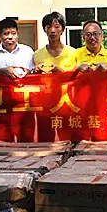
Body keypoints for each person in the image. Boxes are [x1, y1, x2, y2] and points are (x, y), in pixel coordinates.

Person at [0, 18, 36, 142]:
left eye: (13, 33)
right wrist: (2, 71)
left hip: (25, 103)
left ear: (18, 33)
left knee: (26, 140)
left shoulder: (28, 51)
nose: (10, 37)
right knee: (3, 141)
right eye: (6, 34)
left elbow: (34, 74)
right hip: (2, 102)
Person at [33, 12, 76, 141]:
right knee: (45, 138)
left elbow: (76, 77)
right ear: (44, 30)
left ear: (63, 29)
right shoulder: (37, 54)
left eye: (57, 26)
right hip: (44, 102)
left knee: (68, 137)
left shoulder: (73, 52)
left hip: (67, 102)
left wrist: (60, 72)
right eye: (48, 27)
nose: (53, 30)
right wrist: (34, 71)